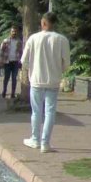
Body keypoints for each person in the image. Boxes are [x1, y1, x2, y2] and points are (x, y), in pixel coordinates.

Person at [21, 12, 71, 153]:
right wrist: (57, 70)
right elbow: (66, 64)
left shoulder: (33, 38)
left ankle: (35, 139)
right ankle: (45, 143)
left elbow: (24, 60)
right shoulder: (62, 39)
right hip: (53, 81)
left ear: (43, 23)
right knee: (50, 112)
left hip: (36, 80)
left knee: (36, 111)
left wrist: (30, 69)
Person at [0, 26, 23, 99]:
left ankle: (13, 93)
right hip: (7, 62)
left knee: (14, 78)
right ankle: (4, 91)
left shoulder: (19, 41)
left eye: (15, 32)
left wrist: (21, 61)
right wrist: (1, 60)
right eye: (12, 31)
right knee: (6, 78)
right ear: (10, 32)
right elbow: (2, 51)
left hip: (15, 62)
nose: (14, 33)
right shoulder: (5, 40)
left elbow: (21, 52)